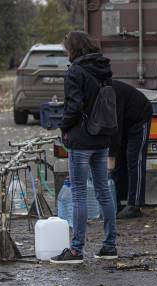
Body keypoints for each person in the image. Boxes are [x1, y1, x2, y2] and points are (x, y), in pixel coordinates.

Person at [51, 31, 117, 264]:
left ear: (73, 49)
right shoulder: (103, 68)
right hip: (102, 137)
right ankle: (110, 246)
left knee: (79, 193)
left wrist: (63, 127)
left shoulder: (74, 72)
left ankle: (76, 250)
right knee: (103, 191)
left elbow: (74, 106)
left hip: (81, 138)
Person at [109, 80, 153, 218]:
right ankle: (116, 202)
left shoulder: (110, 93)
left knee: (135, 159)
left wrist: (111, 155)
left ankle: (134, 204)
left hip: (138, 118)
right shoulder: (94, 94)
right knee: (119, 161)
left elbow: (115, 127)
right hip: (123, 119)